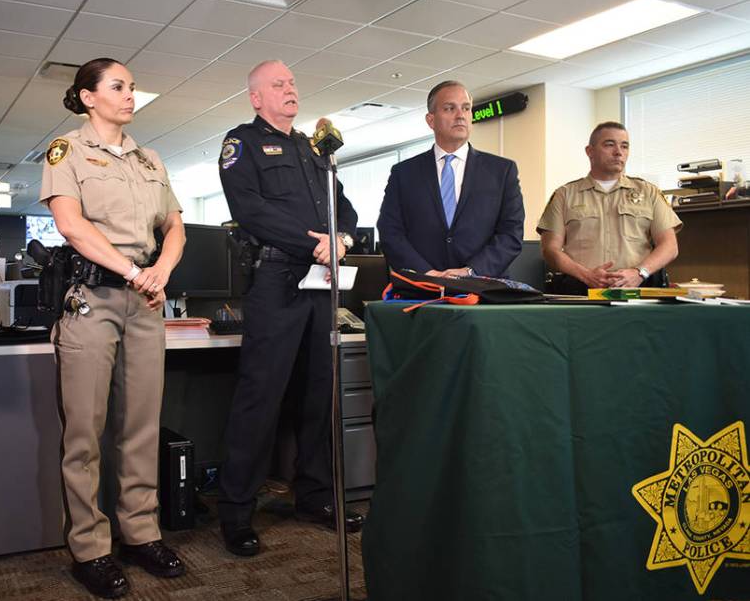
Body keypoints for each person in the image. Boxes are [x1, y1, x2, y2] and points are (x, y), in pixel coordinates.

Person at [40, 58, 186, 599]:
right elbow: (70, 224)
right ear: (87, 97)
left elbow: (174, 226)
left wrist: (161, 271)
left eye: (131, 87)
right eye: (117, 87)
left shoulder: (150, 159)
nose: (129, 95)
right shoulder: (68, 151)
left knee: (142, 426)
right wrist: (131, 271)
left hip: (146, 301)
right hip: (94, 299)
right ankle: (88, 547)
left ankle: (140, 533)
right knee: (85, 432)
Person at [217, 59, 362, 558]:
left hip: (324, 282)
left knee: (320, 393)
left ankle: (313, 496)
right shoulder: (243, 143)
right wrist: (314, 242)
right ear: (256, 97)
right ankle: (236, 512)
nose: (290, 89)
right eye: (278, 84)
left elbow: (345, 206)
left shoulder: (312, 148)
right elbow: (250, 210)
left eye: (293, 82)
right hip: (277, 279)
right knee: (262, 397)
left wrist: (339, 237)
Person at [377, 80, 524, 277]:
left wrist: (471, 272)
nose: (460, 115)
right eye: (449, 108)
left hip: (482, 290)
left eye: (466, 108)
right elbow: (390, 232)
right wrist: (427, 273)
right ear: (431, 120)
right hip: (421, 289)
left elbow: (510, 234)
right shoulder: (403, 173)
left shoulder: (502, 171)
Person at [537, 121, 681, 294]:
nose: (618, 152)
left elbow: (669, 246)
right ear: (589, 152)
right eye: (609, 144)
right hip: (581, 291)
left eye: (624, 146)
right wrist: (586, 275)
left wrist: (639, 272)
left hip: (639, 288)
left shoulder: (649, 192)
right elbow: (550, 250)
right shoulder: (564, 195)